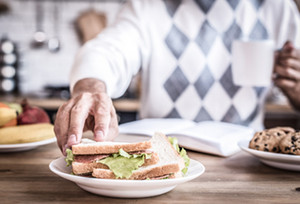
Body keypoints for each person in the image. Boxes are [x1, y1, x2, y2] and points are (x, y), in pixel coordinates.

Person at [54, 0, 300, 154]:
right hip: (156, 153)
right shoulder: (146, 6)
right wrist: (90, 86)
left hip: (247, 155)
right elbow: (106, 50)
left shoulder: (279, 7)